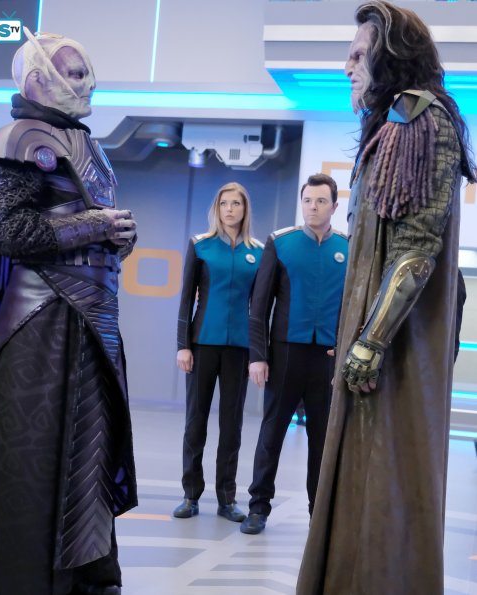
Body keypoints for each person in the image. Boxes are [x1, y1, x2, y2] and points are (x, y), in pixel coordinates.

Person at [297, 2, 476, 594]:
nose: (347, 66)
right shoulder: (397, 124)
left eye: (358, 55)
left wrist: (370, 344)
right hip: (381, 340)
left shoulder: (420, 121)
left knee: (387, 476)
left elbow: (416, 250)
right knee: (366, 475)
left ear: (391, 56)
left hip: (396, 350)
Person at [0, 30, 138, 595]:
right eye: (74, 73)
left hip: (90, 325)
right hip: (39, 328)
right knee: (37, 468)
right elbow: (10, 232)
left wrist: (117, 237)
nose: (87, 83)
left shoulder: (85, 145)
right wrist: (95, 225)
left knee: (89, 458)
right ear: (36, 80)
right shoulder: (16, 140)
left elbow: (85, 228)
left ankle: (86, 576)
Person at [240, 174, 348, 535]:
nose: (313, 207)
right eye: (308, 201)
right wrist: (258, 356)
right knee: (272, 433)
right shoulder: (280, 242)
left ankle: (319, 513)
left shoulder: (348, 248)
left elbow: (354, 307)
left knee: (322, 439)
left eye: (321, 201)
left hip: (327, 358)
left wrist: (345, 349)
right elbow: (259, 305)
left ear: (334, 206)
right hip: (285, 353)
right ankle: (258, 507)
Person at [173, 182, 263, 522]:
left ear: (244, 209)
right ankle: (190, 495)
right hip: (202, 344)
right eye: (224, 203)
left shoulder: (258, 252)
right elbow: (186, 299)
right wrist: (183, 345)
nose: (230, 209)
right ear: (217, 208)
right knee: (195, 422)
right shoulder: (201, 245)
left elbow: (260, 307)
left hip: (239, 349)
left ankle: (227, 499)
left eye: (236, 203)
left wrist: (259, 352)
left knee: (232, 426)